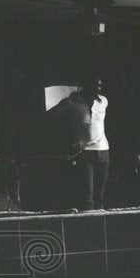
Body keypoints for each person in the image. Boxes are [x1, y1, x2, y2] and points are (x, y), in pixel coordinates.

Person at [48, 75, 110, 209]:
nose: (98, 89)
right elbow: (50, 118)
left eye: (99, 85)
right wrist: (69, 140)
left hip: (104, 151)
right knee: (87, 197)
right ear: (85, 86)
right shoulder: (71, 102)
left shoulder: (103, 101)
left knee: (100, 195)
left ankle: (101, 224)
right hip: (85, 153)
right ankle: (89, 225)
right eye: (94, 85)